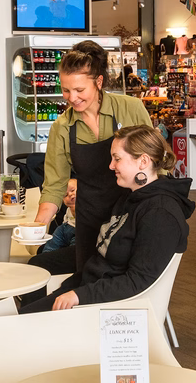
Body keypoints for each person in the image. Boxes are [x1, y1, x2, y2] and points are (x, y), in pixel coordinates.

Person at [22, 125, 195, 313]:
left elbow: (138, 281)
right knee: (18, 316)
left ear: (143, 161)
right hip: (92, 295)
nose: (111, 166)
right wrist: (70, 290)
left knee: (16, 324)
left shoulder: (160, 214)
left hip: (112, 311)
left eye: (117, 159)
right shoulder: (129, 198)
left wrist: (79, 295)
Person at [35, 40, 153, 274]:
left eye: (80, 90)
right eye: (66, 90)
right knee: (86, 283)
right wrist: (36, 228)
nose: (71, 98)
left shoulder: (131, 108)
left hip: (132, 218)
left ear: (98, 82)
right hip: (90, 223)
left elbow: (157, 163)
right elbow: (54, 186)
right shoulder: (62, 126)